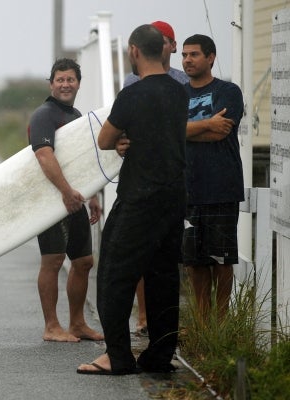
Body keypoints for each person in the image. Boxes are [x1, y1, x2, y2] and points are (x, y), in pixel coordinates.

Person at [77, 24, 187, 375]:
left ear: (134, 51)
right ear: (165, 50)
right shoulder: (179, 92)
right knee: (164, 277)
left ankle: (117, 357)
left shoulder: (133, 94)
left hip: (139, 195)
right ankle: (159, 356)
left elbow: (106, 139)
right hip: (174, 196)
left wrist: (123, 138)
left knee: (114, 274)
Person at [28, 58, 103, 342]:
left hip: (75, 198)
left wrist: (92, 194)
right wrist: (65, 191)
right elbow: (44, 155)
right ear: (51, 84)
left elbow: (85, 160)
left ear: (78, 84)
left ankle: (77, 323)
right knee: (53, 260)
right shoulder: (44, 115)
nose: (65, 84)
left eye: (70, 79)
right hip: (51, 199)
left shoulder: (76, 116)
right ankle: (51, 326)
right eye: (60, 79)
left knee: (83, 261)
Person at [123, 20, 188, 338]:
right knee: (140, 255)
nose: (160, 45)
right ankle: (144, 317)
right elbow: (120, 131)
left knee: (164, 261)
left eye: (165, 40)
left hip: (170, 178)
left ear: (171, 46)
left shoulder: (181, 83)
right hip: (143, 177)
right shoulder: (131, 82)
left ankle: (163, 332)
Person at [181, 34, 244, 321]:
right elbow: (171, 132)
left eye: (194, 54)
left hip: (221, 186)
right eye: (184, 55)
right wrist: (205, 126)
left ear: (211, 57)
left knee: (221, 258)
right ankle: (203, 322)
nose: (187, 60)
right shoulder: (177, 94)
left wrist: (185, 130)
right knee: (194, 261)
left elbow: (223, 131)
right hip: (187, 188)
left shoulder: (228, 91)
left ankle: (221, 321)